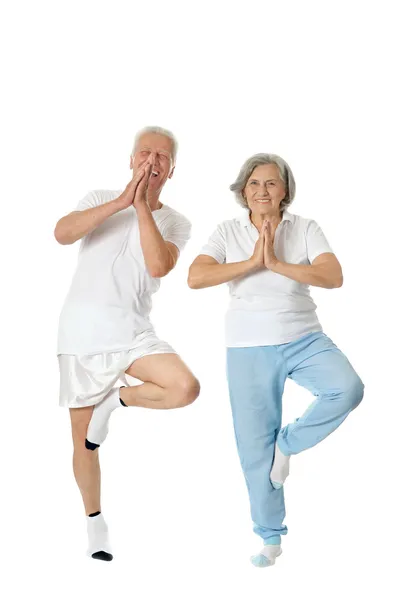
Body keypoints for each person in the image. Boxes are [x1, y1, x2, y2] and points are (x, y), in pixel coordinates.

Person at [188, 153, 364, 568]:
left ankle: (287, 444)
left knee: (348, 388)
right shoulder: (227, 231)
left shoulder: (305, 228)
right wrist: (252, 261)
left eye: (271, 183)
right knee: (253, 450)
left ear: (285, 190)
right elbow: (196, 276)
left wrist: (277, 264)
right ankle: (270, 536)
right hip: (247, 346)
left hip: (304, 337)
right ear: (242, 191)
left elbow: (333, 275)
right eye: (254, 184)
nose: (262, 191)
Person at [55, 126, 200, 561]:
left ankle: (114, 403)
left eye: (162, 156)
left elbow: (158, 266)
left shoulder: (176, 220)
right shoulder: (99, 196)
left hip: (133, 332)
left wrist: (141, 208)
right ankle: (94, 523)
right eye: (145, 153)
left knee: (184, 387)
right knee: (83, 446)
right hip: (80, 332)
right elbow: (62, 234)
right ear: (131, 160)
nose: (152, 161)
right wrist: (121, 200)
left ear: (171, 170)